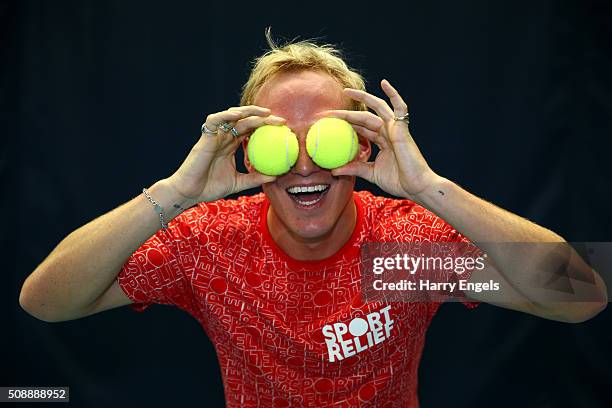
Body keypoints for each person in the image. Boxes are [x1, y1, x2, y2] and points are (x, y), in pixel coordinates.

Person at [19, 30, 607, 407]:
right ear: (249, 153)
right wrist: (176, 193)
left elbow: (580, 295)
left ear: (360, 146)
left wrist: (429, 188)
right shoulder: (210, 244)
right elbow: (46, 301)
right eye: (278, 142)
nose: (303, 165)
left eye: (324, 139)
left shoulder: (402, 256)